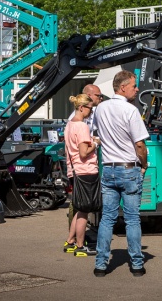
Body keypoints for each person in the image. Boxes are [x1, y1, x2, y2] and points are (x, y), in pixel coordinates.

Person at [93, 70, 149, 277]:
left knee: (107, 218)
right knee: (132, 219)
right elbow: (140, 144)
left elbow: (98, 135)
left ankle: (100, 264)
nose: (137, 89)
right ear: (122, 87)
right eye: (134, 86)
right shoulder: (131, 110)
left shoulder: (100, 108)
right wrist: (144, 164)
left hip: (108, 167)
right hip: (129, 167)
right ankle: (136, 264)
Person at [63, 94, 100, 257]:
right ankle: (80, 246)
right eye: (90, 109)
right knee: (84, 210)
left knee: (78, 207)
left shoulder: (70, 125)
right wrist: (96, 143)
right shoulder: (82, 126)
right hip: (86, 170)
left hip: (74, 170)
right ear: (81, 107)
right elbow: (84, 152)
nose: (91, 112)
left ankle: (70, 241)